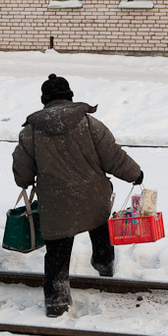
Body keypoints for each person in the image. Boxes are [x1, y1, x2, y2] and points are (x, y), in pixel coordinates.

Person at [12, 74, 143, 317]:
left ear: (44, 100)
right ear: (69, 97)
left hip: (56, 202)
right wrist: (135, 174)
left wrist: (26, 179)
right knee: (99, 228)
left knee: (57, 251)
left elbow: (22, 172)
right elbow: (112, 155)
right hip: (94, 195)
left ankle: (56, 300)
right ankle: (104, 268)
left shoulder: (30, 131)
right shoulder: (89, 123)